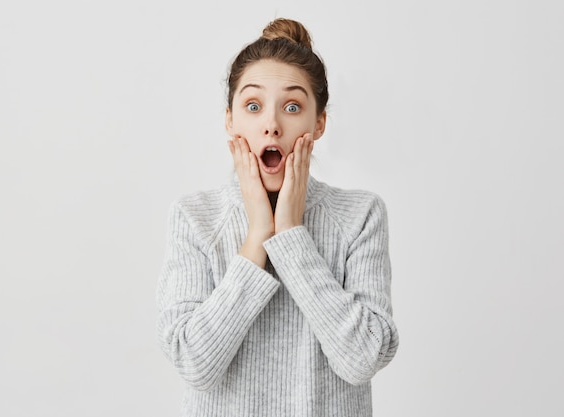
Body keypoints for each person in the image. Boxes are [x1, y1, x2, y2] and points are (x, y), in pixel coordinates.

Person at [157, 18, 399, 417]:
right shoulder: (194, 217)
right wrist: (257, 238)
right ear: (230, 120)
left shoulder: (360, 215)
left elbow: (363, 360)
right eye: (253, 106)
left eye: (292, 106)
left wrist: (290, 234)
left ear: (318, 123)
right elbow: (194, 364)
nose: (271, 124)